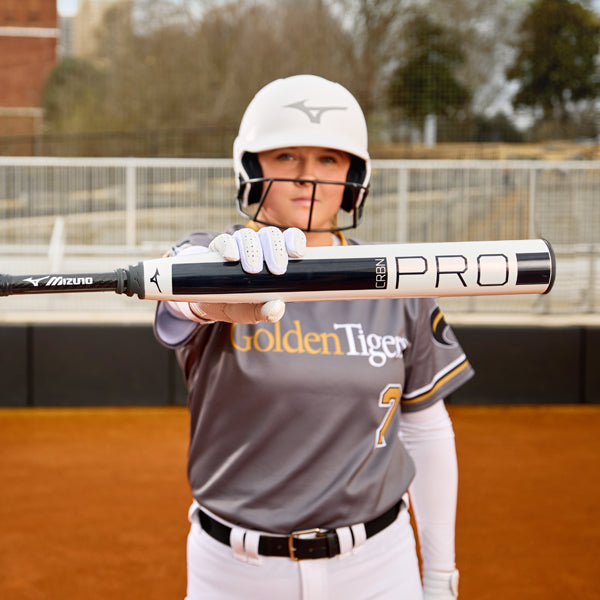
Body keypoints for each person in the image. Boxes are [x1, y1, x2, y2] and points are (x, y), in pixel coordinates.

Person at [154, 74, 474, 600]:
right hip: (234, 572)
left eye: (329, 160)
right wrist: (211, 294)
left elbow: (426, 432)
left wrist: (439, 575)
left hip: (378, 566)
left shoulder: (397, 279)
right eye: (286, 158)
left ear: (355, 175)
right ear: (252, 170)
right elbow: (179, 297)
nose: (309, 178)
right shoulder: (213, 257)